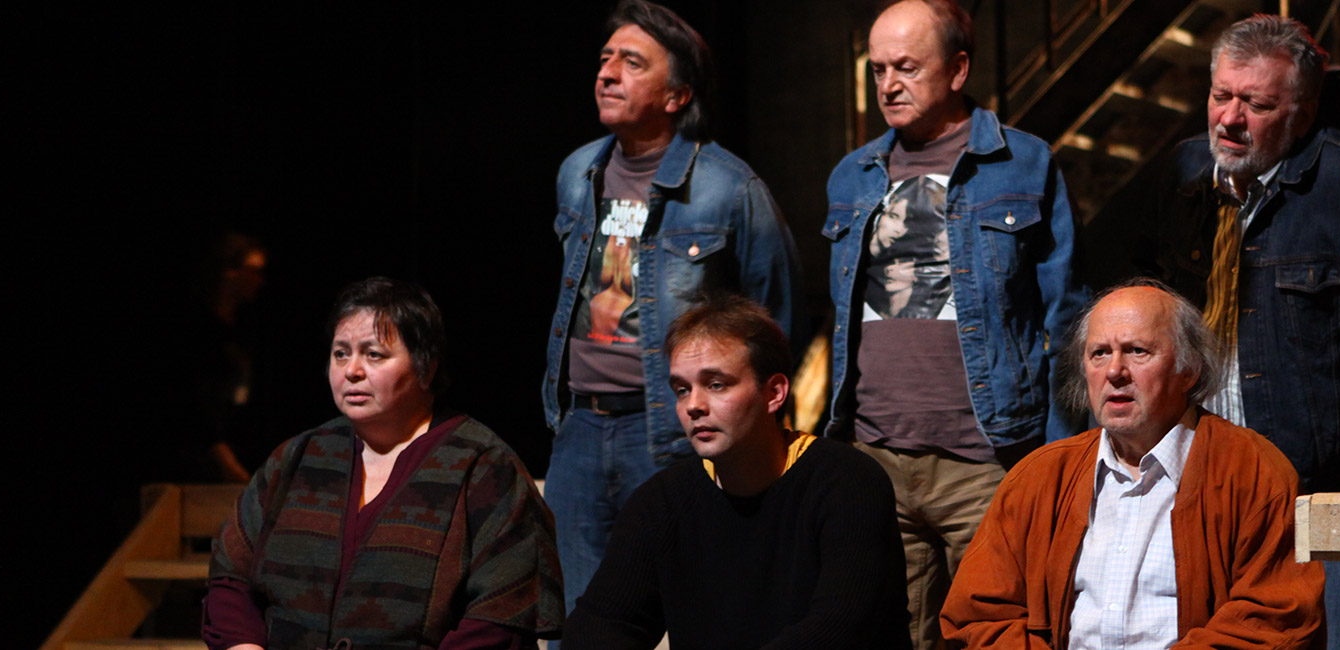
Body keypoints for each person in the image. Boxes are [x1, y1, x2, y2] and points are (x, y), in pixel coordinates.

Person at [1128, 15, 1340, 650]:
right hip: (1201, 490)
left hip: (1322, 496)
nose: (1230, 119)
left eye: (1257, 104)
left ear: (1304, 112)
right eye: (1221, 96)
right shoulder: (1179, 178)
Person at [821, 1, 1087, 646]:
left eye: (907, 67)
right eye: (878, 69)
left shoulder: (1023, 164)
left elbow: (1069, 319)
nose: (888, 84)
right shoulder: (852, 175)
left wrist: (1057, 457)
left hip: (986, 461)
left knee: (999, 634)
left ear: (958, 69)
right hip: (876, 458)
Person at [542, 0, 801, 616]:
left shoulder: (728, 186)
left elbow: (775, 319)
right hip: (580, 428)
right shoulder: (578, 171)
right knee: (575, 615)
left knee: (697, 611)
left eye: (632, 63)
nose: (607, 73)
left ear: (677, 95)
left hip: (671, 431)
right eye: (606, 58)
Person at [940, 281, 1324, 649]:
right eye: (1099, 353)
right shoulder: (1039, 478)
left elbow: (1274, 617)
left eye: (1137, 351)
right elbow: (982, 614)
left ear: (1189, 369)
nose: (1114, 371)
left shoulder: (1253, 472)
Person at [205, 277, 562, 650]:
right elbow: (231, 576)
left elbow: (501, 615)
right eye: (341, 353)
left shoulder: (485, 469)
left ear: (426, 366)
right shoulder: (296, 459)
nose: (352, 370)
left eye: (373, 354)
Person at [564, 294, 910, 649]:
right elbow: (598, 626)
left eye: (716, 384)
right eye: (682, 390)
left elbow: (839, 626)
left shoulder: (847, 482)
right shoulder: (662, 502)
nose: (694, 406)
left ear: (774, 393)